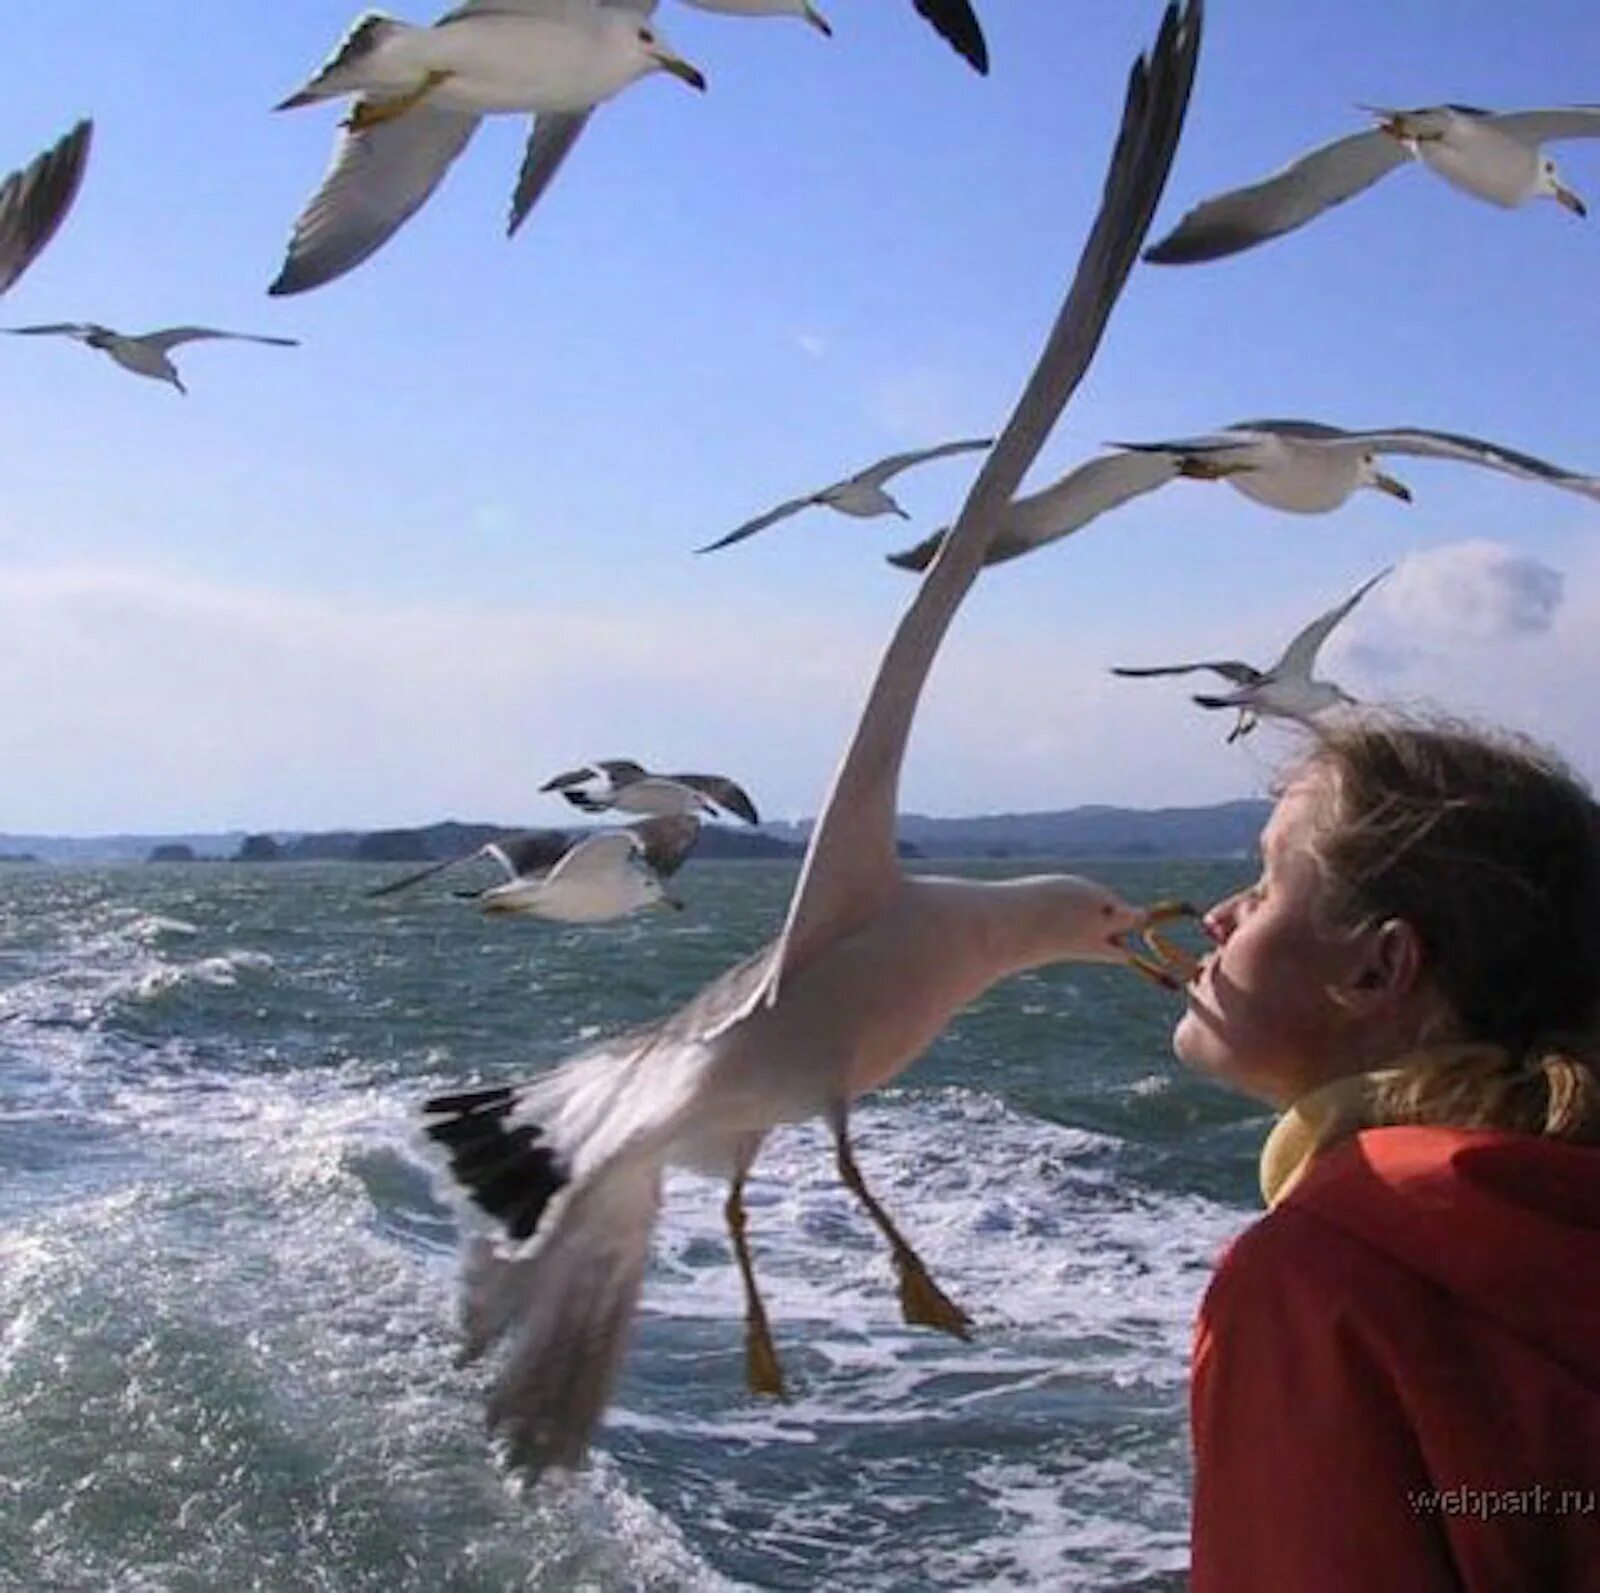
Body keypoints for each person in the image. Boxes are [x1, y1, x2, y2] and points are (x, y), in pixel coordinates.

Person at [1173, 713, 1600, 1591]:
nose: (1219, 917)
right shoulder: (1558, 1206)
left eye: (1265, 881)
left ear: (1379, 968)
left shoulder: (1330, 1272)